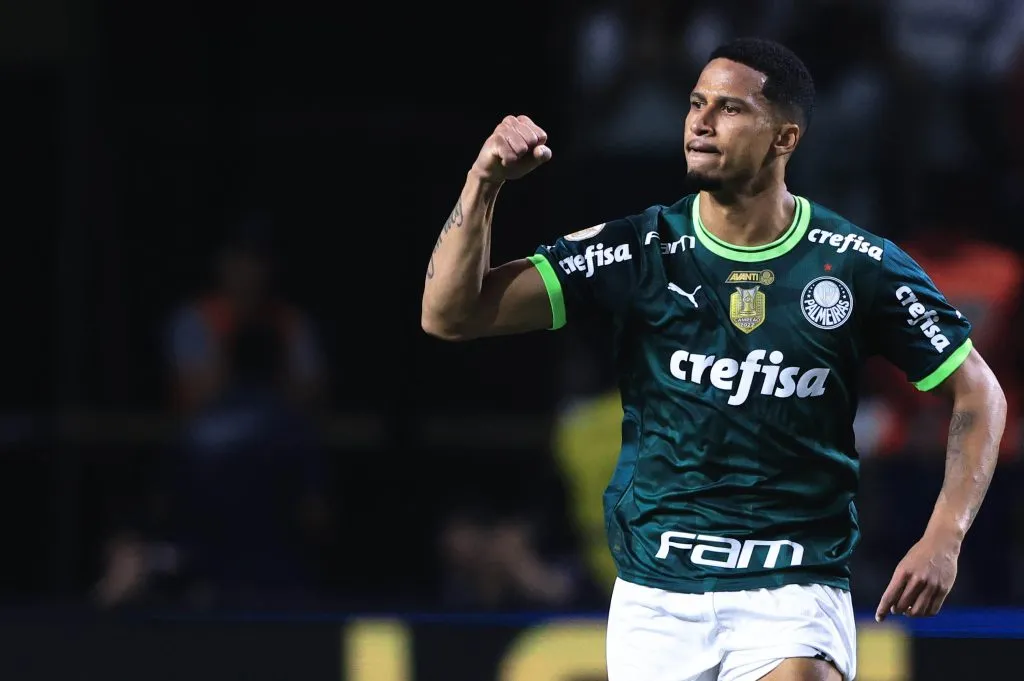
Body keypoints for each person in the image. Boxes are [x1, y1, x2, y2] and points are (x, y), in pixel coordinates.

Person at [420, 37, 1006, 681]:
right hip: (657, 597)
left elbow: (980, 394)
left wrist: (943, 537)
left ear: (785, 139)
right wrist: (484, 182)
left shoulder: (856, 265)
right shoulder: (639, 250)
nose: (700, 121)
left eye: (729, 108)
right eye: (696, 103)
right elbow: (450, 314)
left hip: (791, 585)